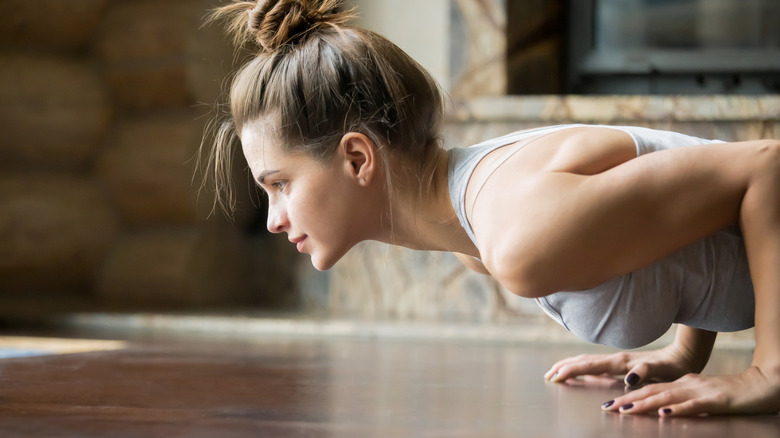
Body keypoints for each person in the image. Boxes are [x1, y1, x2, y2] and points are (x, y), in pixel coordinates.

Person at [203, 0, 780, 416]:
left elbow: (762, 168)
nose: (275, 217)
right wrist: (684, 354)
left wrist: (766, 373)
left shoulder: (517, 229)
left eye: (279, 183)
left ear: (357, 158)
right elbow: (691, 215)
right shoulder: (477, 234)